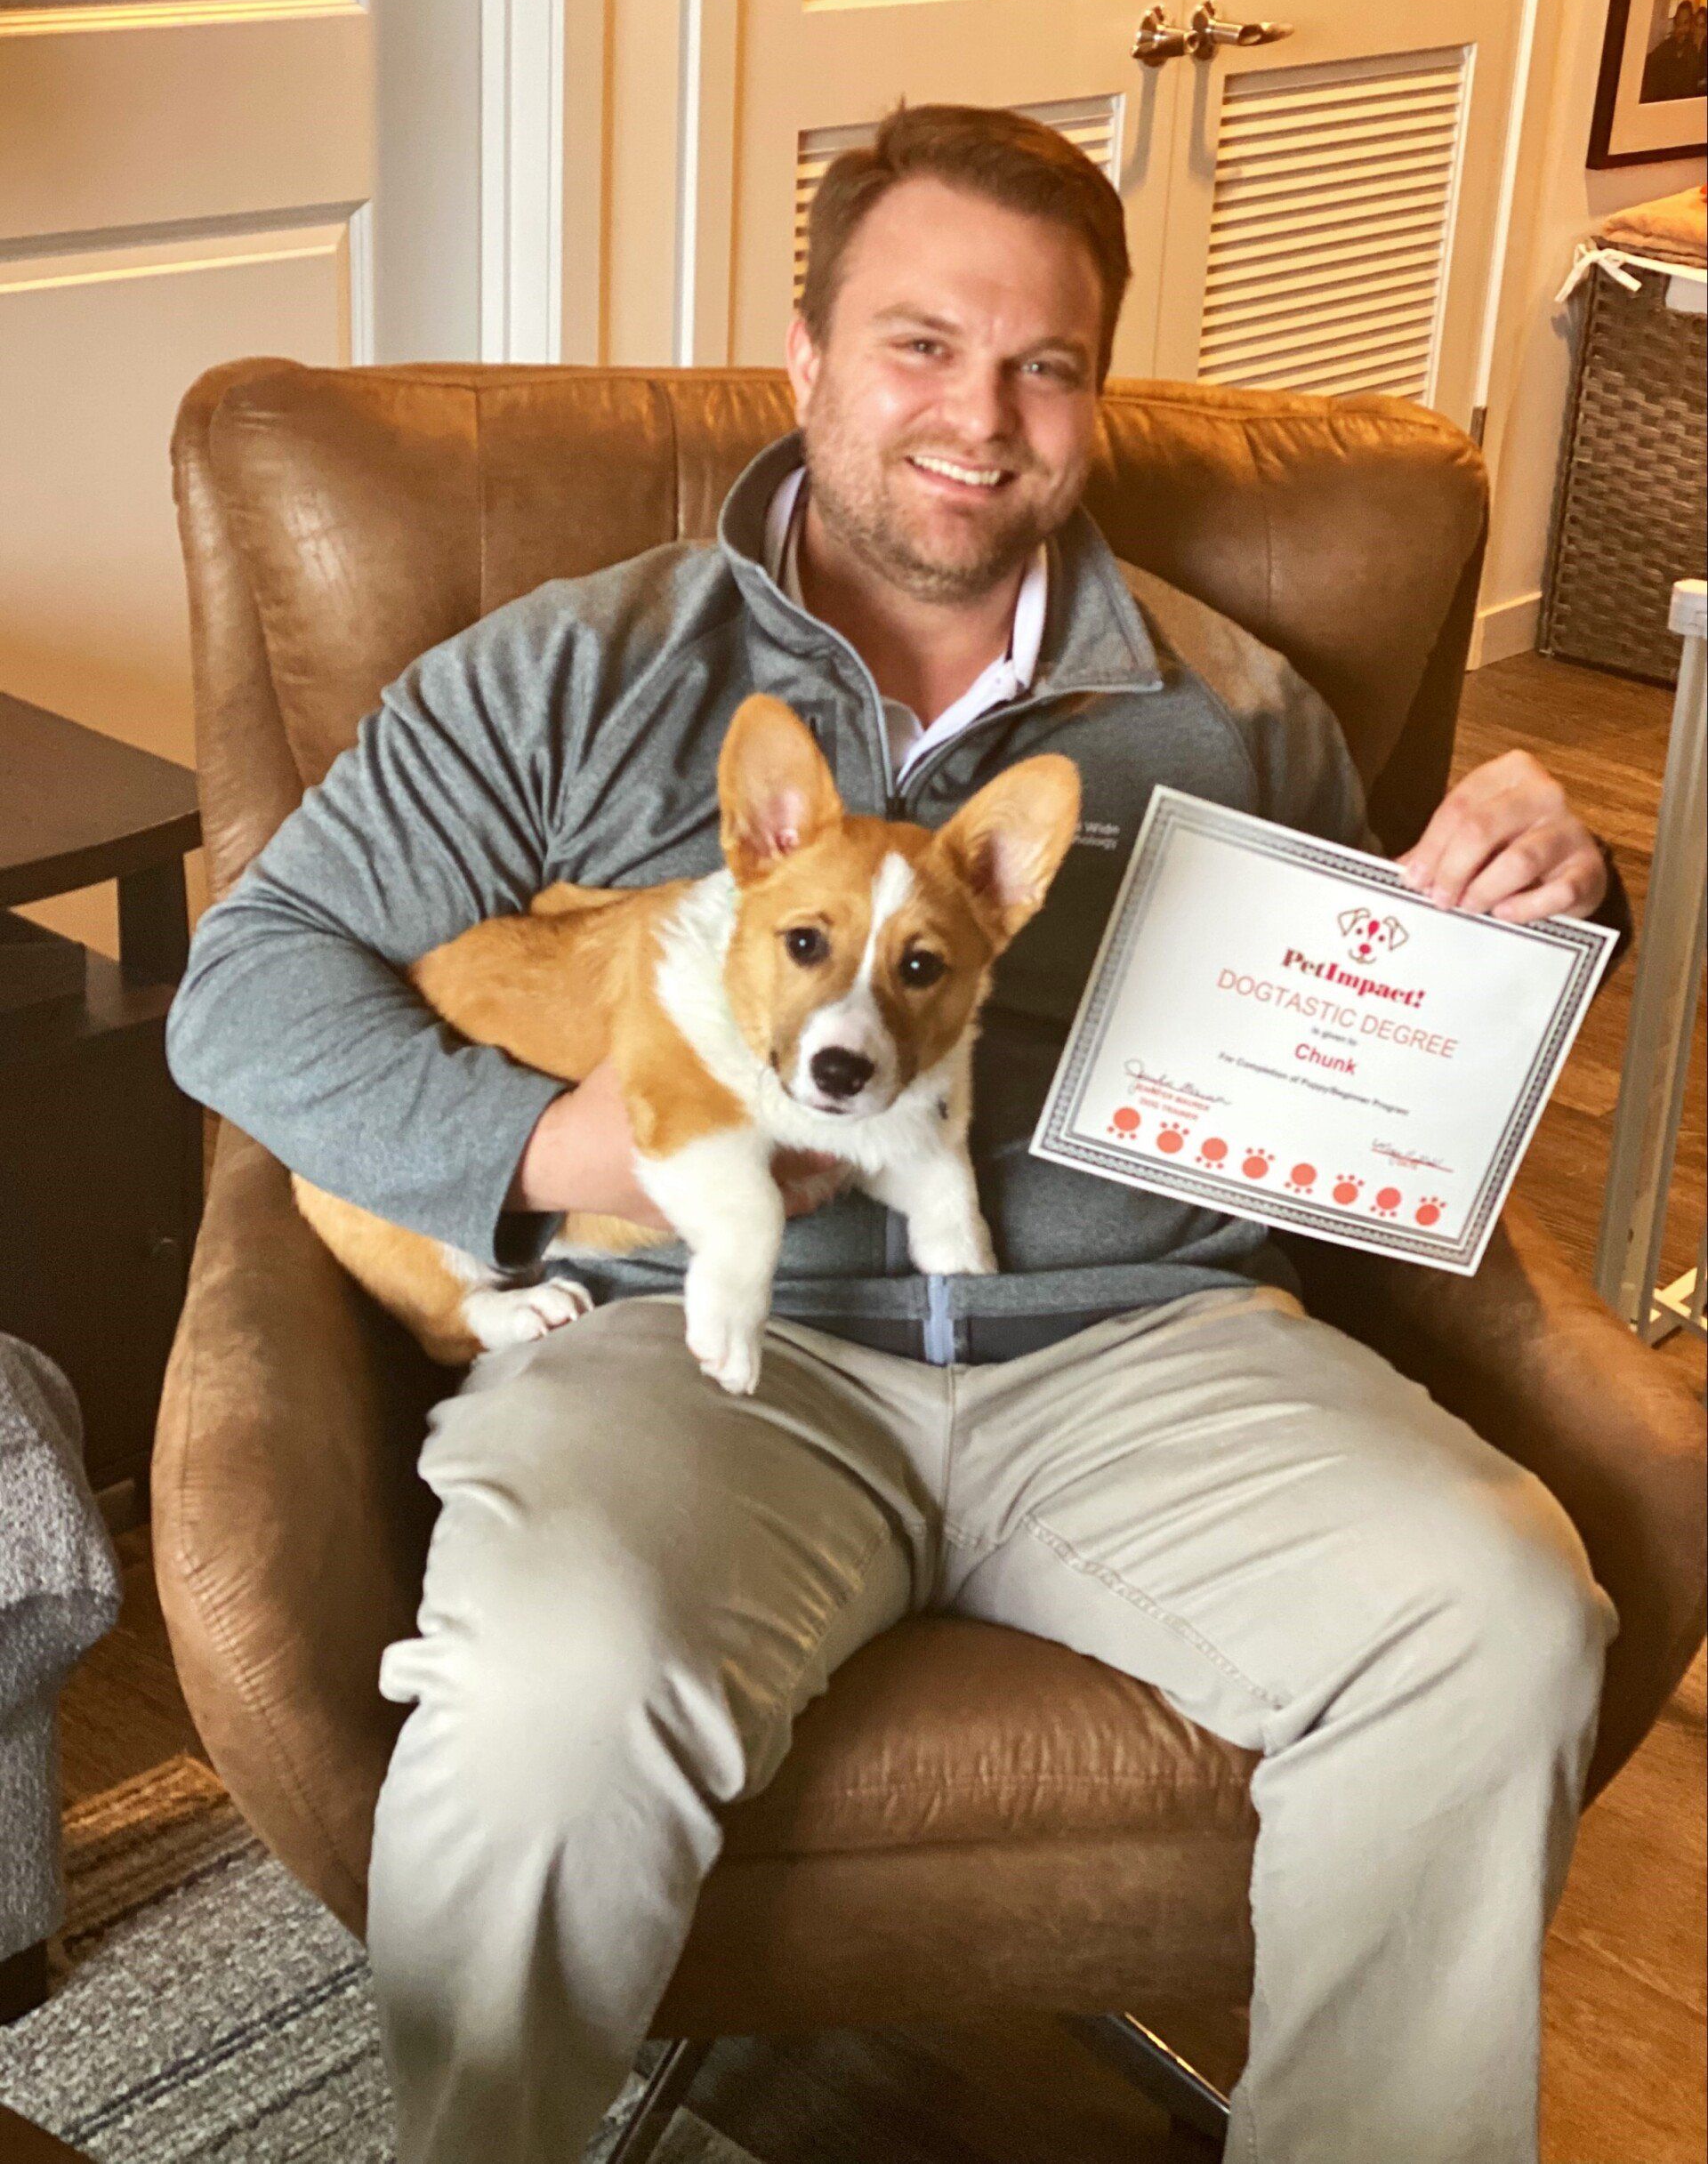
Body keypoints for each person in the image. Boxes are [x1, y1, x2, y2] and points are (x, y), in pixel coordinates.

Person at [166, 104, 1628, 2164]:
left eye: (1045, 364)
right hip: (687, 1350)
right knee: (559, 1685)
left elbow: (1392, 1034)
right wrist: (555, 1149)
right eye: (922, 343)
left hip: (1145, 1354)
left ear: (1092, 399)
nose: (982, 414)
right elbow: (250, 982)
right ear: (807, 361)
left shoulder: (1228, 707)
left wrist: (1552, 888)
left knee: (1498, 1611)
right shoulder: (586, 667)